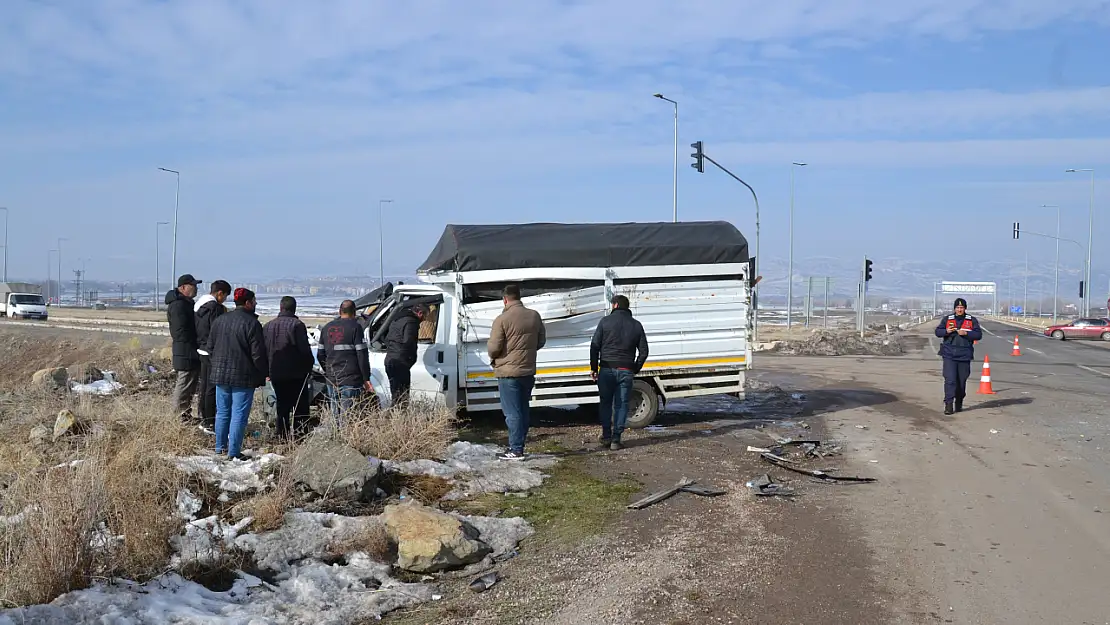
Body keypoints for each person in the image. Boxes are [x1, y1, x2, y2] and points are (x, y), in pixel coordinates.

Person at [206, 288, 268, 459]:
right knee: (238, 414)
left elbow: (210, 347)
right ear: (247, 303)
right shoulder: (252, 323)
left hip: (220, 375)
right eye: (254, 301)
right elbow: (258, 355)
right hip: (243, 376)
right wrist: (263, 373)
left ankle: (220, 448)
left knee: (223, 412)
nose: (255, 304)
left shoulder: (220, 320)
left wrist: (217, 364)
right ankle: (233, 452)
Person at [487, 285, 546, 461]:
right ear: (519, 297)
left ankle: (516, 449)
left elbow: (494, 348)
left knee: (512, 412)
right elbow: (541, 340)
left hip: (508, 373)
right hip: (527, 371)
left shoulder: (502, 319)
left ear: (505, 299)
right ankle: (518, 444)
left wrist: (498, 355)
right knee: (523, 410)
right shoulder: (534, 316)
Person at [590, 294, 649, 450]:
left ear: (615, 305)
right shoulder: (636, 325)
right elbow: (644, 351)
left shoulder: (605, 322)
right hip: (626, 370)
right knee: (622, 404)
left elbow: (594, 346)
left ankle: (606, 436)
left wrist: (594, 368)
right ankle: (616, 439)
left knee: (605, 403)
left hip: (607, 369)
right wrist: (635, 368)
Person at [263, 296, 315, 438]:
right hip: (296, 373)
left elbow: (264, 350)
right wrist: (308, 367)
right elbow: (304, 350)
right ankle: (300, 436)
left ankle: (282, 436)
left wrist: (266, 370)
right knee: (300, 407)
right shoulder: (297, 325)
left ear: (280, 308)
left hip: (275, 373)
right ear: (294, 308)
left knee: (282, 406)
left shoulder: (268, 326)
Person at [317, 299, 372, 423]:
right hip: (350, 379)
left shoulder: (327, 327)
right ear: (354, 313)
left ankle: (336, 438)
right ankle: (345, 439)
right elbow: (362, 354)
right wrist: (366, 378)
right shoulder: (356, 327)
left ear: (339, 311)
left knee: (335, 414)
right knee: (347, 415)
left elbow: (320, 354)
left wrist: (328, 370)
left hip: (332, 378)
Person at [934, 298, 982, 415]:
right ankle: (948, 405)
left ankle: (959, 401)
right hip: (949, 354)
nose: (959, 310)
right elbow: (937, 332)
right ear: (954, 308)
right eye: (957, 308)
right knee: (950, 380)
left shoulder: (971, 320)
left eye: (961, 308)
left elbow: (978, 335)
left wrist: (966, 333)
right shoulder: (947, 319)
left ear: (965, 308)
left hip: (964, 355)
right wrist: (947, 331)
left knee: (961, 382)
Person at [194, 280, 231, 430]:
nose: (225, 299)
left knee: (204, 387)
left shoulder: (199, 306)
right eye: (225, 296)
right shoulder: (215, 308)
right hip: (212, 350)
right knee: (211, 387)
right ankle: (210, 420)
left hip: (201, 348)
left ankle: (204, 415)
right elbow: (217, 329)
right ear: (220, 293)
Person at [166, 274, 202, 421]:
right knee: (184, 384)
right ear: (183, 287)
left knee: (189, 385)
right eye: (193, 286)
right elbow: (180, 332)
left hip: (188, 351)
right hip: (185, 351)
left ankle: (184, 414)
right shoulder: (178, 305)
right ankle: (178, 417)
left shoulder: (185, 303)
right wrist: (194, 343)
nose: (196, 289)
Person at [384, 303, 427, 406]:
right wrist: (410, 359)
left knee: (395, 394)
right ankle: (399, 418)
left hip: (390, 359)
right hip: (400, 362)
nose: (424, 319)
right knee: (402, 397)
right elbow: (409, 342)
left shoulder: (397, 319)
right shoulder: (411, 322)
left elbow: (386, 338)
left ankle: (395, 417)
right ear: (420, 313)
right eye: (425, 316)